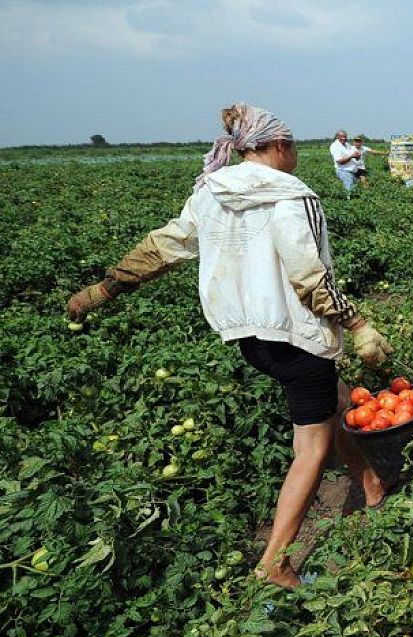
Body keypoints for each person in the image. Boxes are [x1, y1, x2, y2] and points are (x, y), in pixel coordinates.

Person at [66, 103, 395, 589]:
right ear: (279, 146)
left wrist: (105, 289)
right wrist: (360, 322)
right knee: (312, 444)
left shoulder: (212, 192)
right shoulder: (290, 196)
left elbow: (163, 247)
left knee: (336, 398)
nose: (297, 154)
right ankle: (276, 561)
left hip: (247, 336)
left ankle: (369, 483)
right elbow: (309, 278)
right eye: (295, 146)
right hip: (295, 334)